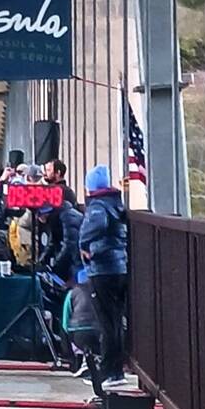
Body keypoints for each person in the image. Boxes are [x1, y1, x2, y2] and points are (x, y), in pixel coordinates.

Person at [80, 165, 130, 391]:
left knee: (106, 322)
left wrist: (84, 243)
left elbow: (97, 225)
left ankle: (109, 371)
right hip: (119, 267)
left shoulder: (98, 206)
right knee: (116, 320)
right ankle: (116, 369)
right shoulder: (116, 204)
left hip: (102, 268)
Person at [61, 266, 100, 379]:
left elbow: (65, 322)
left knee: (67, 331)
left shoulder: (72, 293)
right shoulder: (102, 291)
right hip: (99, 333)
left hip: (79, 334)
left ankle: (80, 361)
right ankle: (99, 360)